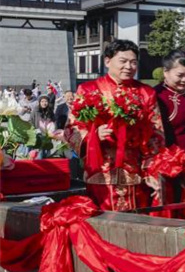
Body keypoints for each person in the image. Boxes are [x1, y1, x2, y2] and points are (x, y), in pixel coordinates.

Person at [64, 39, 165, 211]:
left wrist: (152, 171)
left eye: (133, 62)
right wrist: (93, 136)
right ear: (107, 61)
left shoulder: (146, 93)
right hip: (100, 174)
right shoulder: (88, 90)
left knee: (136, 227)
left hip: (135, 174)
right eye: (123, 61)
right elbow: (70, 129)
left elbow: (157, 135)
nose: (129, 66)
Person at [154, 50, 185, 217]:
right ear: (166, 72)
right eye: (180, 75)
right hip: (164, 160)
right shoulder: (156, 95)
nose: (184, 79)